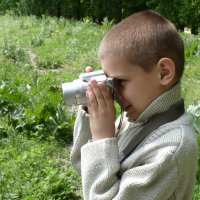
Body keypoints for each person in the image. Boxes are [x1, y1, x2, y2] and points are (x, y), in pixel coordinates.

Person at [70, 10, 198, 200]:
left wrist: (101, 140)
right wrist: (91, 114)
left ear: (163, 72)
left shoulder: (172, 148)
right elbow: (85, 169)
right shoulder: (135, 118)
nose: (113, 90)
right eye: (108, 80)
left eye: (120, 81)